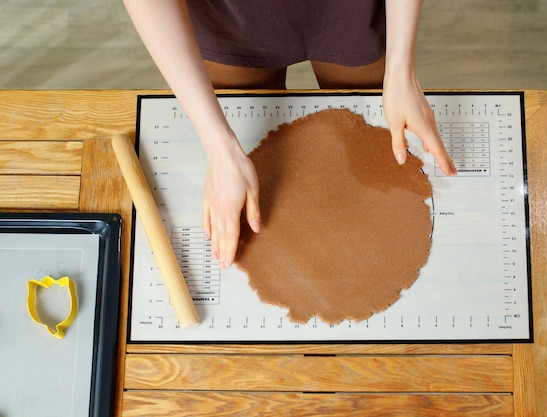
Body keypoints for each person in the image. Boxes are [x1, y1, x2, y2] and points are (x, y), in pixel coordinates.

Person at [123, 0, 457, 269]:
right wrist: (220, 148)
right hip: (231, 13)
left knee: (366, 140)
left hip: (349, 10)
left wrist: (400, 68)